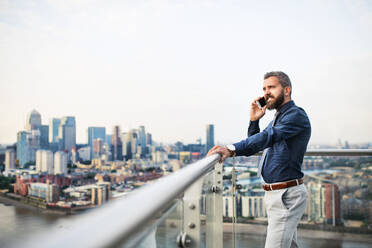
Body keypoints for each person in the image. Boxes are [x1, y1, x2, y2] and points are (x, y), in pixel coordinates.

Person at [207, 71, 311, 248]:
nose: (266, 92)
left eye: (271, 87)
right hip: (276, 194)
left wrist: (231, 149)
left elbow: (266, 138)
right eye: (264, 88)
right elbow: (256, 145)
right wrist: (254, 121)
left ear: (287, 90)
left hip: (286, 195)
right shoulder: (278, 118)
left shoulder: (295, 115)